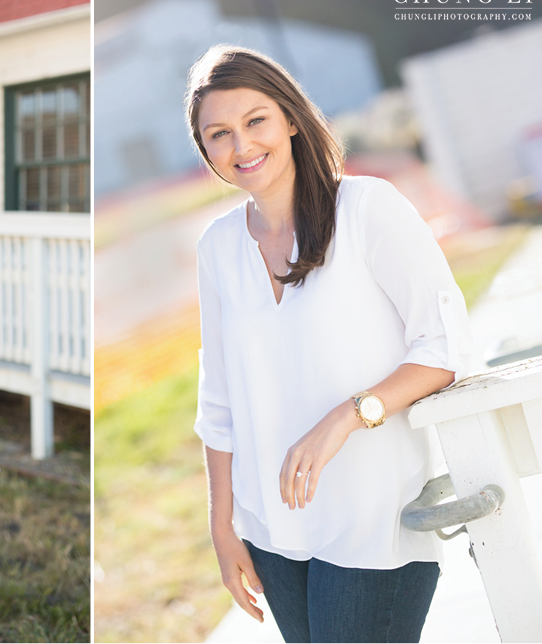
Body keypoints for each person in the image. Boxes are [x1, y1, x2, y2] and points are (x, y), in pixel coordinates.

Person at [187, 46, 471, 642]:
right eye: (219, 134)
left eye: (255, 121)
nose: (241, 147)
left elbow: (443, 346)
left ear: (291, 118)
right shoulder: (216, 246)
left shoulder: (368, 208)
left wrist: (346, 416)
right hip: (272, 529)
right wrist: (223, 525)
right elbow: (218, 399)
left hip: (372, 518)